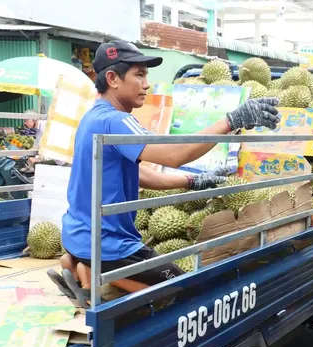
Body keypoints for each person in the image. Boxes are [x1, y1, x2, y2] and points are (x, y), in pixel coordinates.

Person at [49, 40, 280, 308]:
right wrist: (232, 121)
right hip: (110, 245)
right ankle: (97, 272)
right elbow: (174, 154)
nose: (146, 84)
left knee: (152, 274)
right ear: (112, 78)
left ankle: (78, 265)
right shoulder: (115, 121)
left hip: (79, 235)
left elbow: (140, 176)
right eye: (139, 75)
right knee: (185, 290)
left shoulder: (92, 118)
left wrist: (192, 181)